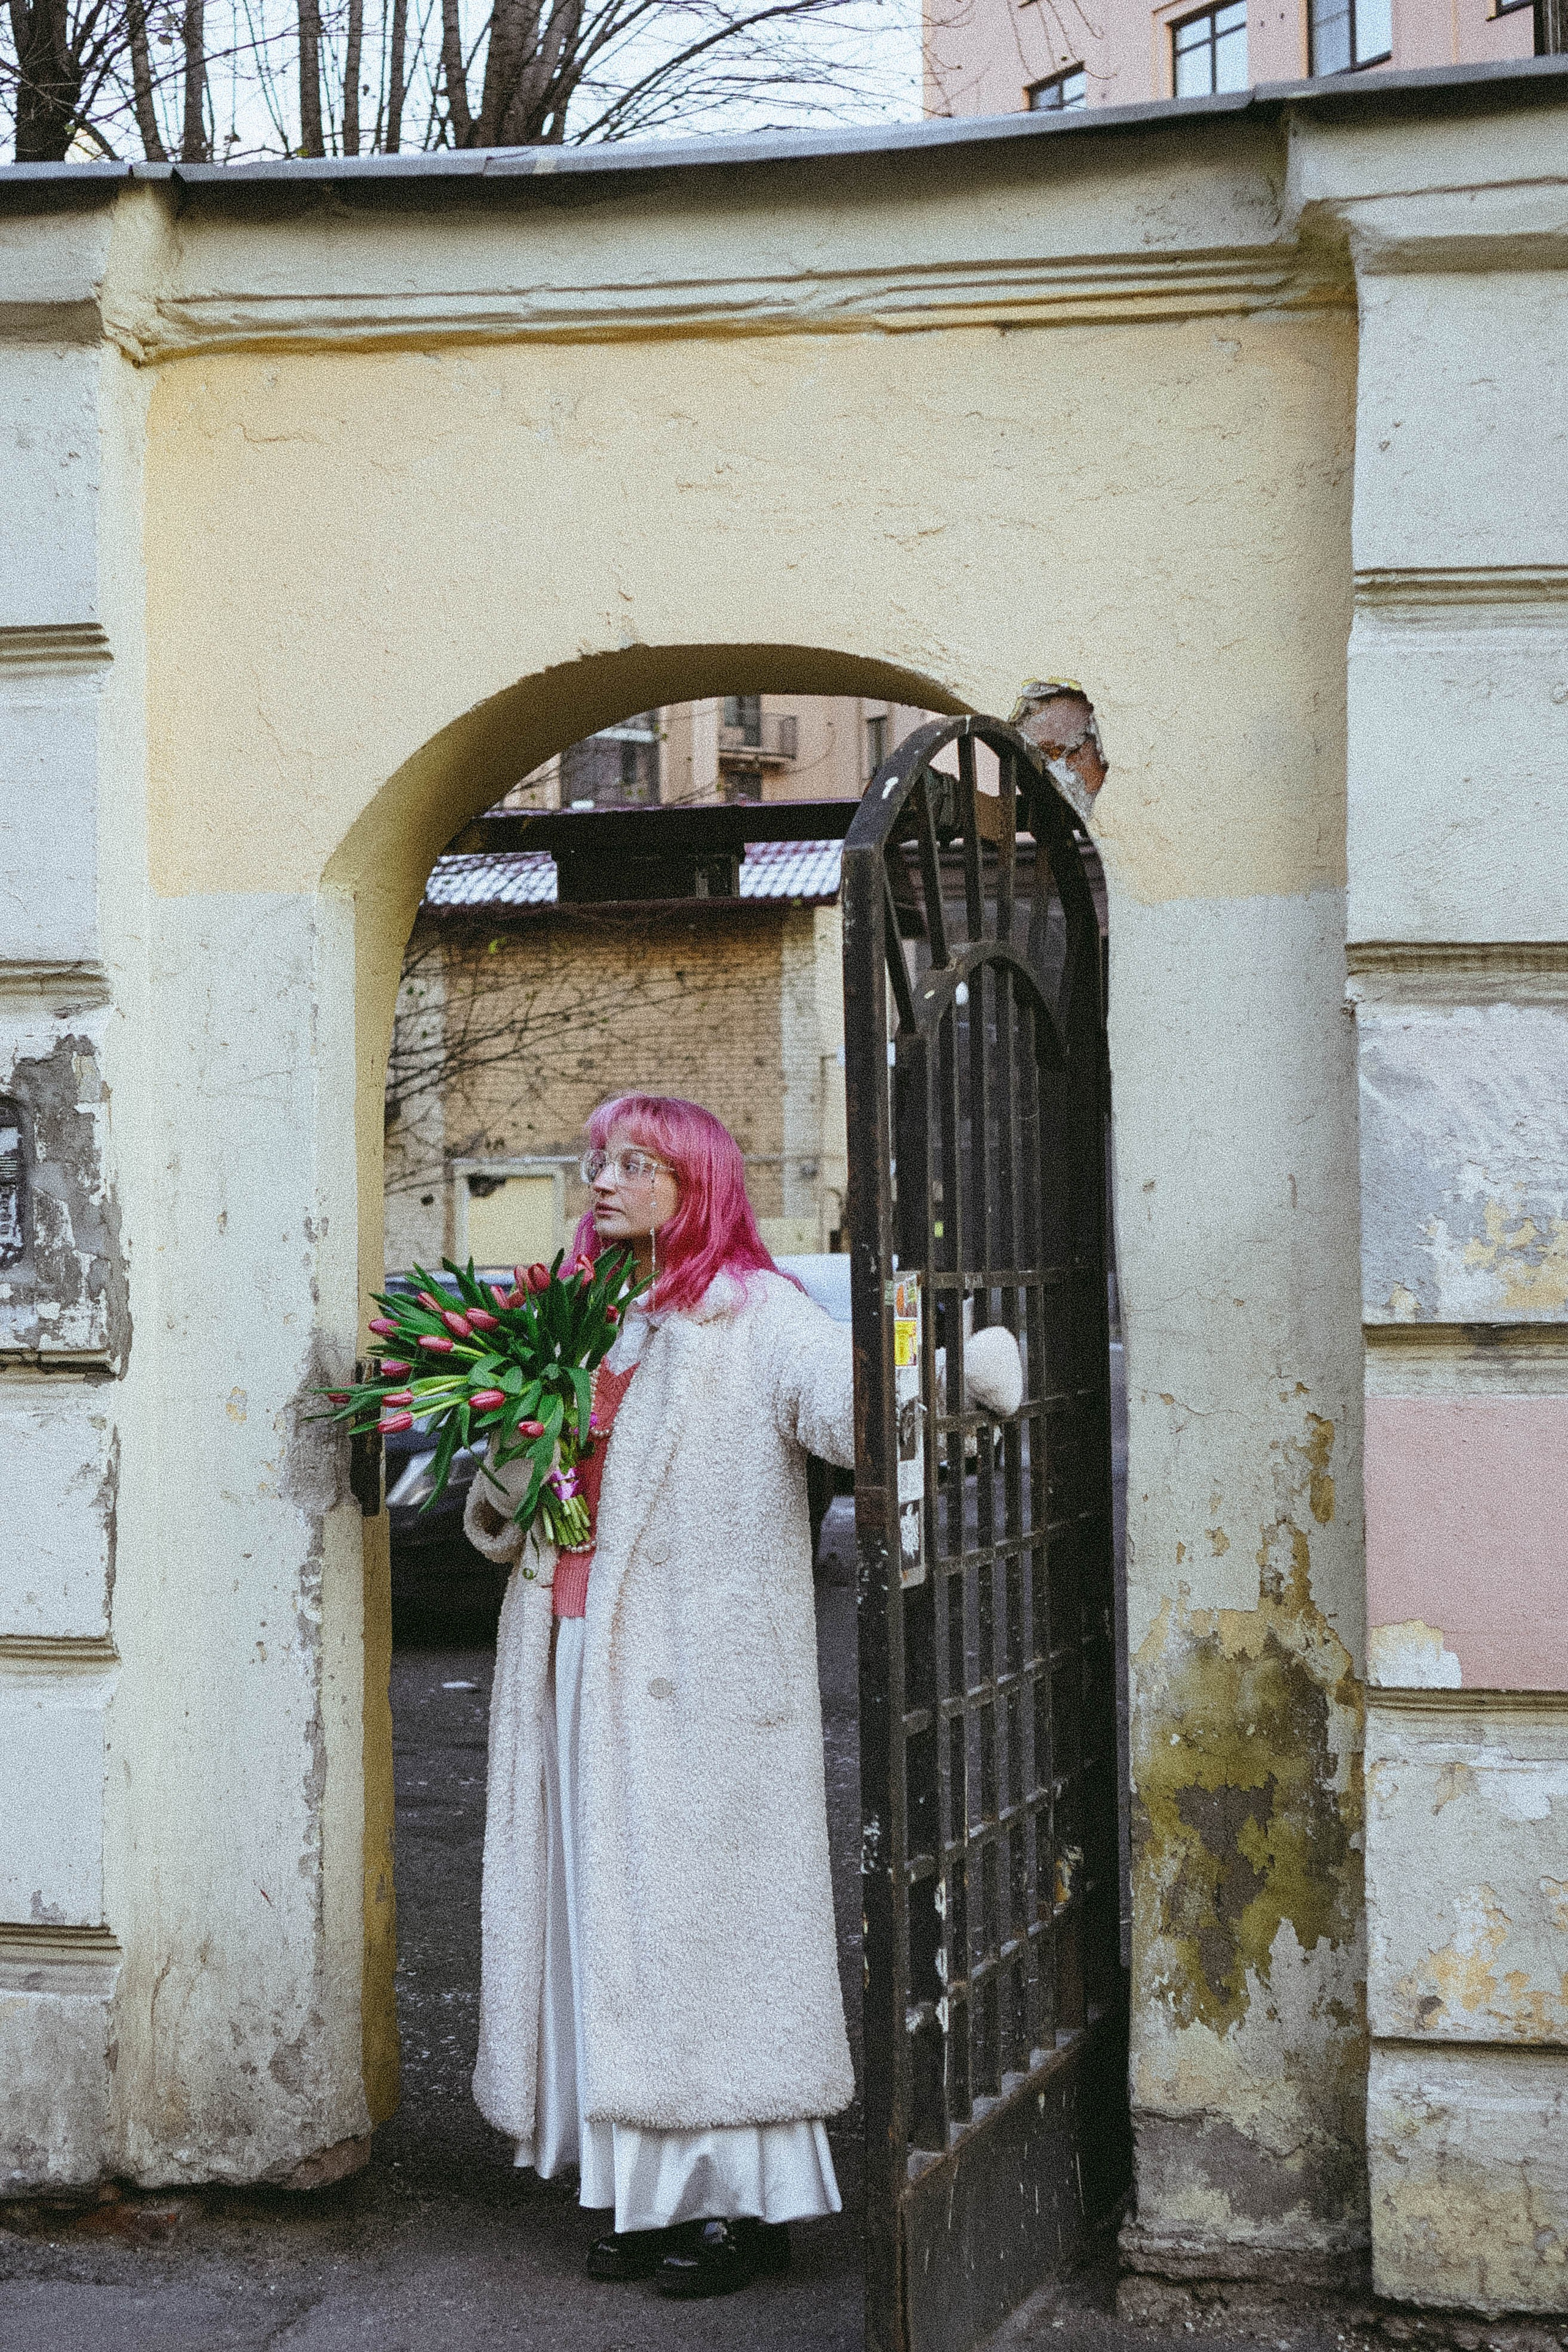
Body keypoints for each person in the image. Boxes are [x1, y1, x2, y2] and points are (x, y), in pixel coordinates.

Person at [464, 1093, 1022, 2299]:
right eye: (596, 1160)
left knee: (701, 1938)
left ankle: (740, 2210)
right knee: (599, 1921)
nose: (601, 1179)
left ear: (694, 1181)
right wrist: (526, 1429)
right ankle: (645, 2195)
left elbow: (848, 1408)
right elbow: (511, 1493)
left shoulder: (755, 1315)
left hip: (697, 1688)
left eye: (632, 1162)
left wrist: (947, 1377)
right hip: (569, 1661)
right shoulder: (583, 1318)